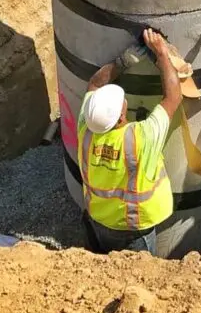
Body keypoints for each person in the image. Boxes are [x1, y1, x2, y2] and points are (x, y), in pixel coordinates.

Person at [78, 28, 182, 255]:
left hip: (96, 219)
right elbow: (173, 97)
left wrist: (123, 61)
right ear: (122, 116)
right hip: (132, 232)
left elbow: (94, 85)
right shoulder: (139, 139)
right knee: (136, 277)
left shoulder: (86, 127)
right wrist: (162, 55)